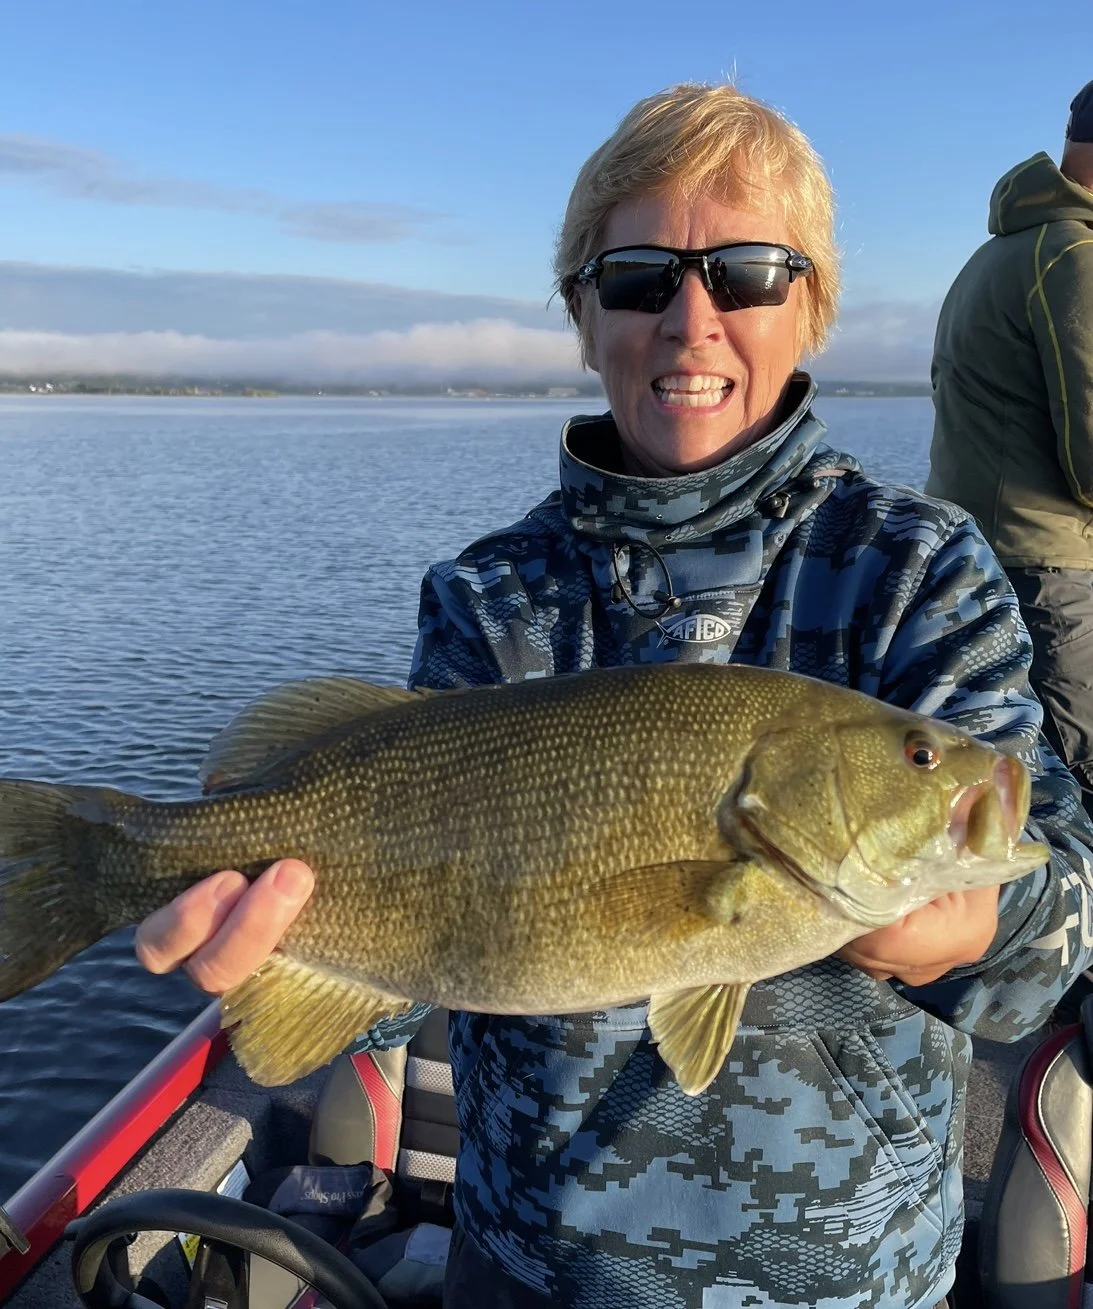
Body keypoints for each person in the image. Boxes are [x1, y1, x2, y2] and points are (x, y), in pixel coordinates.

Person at [135, 84, 1093, 1309]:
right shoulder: (489, 595)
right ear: (583, 317)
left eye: (748, 271)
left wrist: (974, 931)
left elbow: (1053, 919)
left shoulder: (920, 569)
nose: (692, 318)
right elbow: (423, 910)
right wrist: (262, 941)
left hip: (848, 1284)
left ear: (812, 308)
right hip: (529, 1269)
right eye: (639, 276)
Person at [927, 80, 1093, 816]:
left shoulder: (1001, 250)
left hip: (981, 555)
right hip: (1048, 567)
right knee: (1074, 781)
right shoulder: (1073, 256)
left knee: (1014, 769)